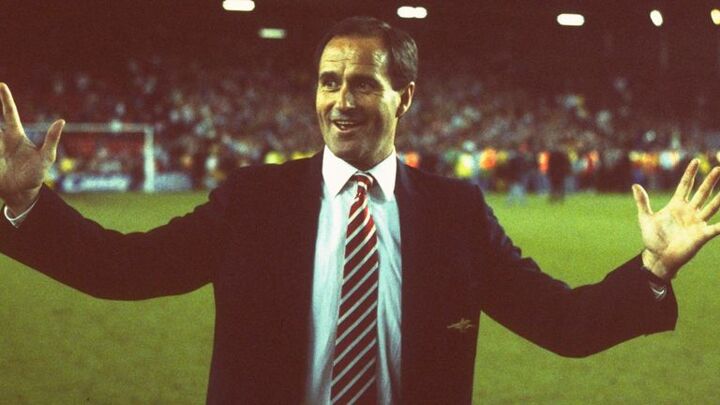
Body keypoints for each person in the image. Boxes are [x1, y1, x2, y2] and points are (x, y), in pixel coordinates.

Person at [1, 16, 719, 405]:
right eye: (328, 81)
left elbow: (561, 322)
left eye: (364, 84)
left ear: (406, 96)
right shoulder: (254, 200)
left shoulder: (456, 213)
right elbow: (126, 269)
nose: (341, 100)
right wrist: (26, 201)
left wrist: (653, 269)